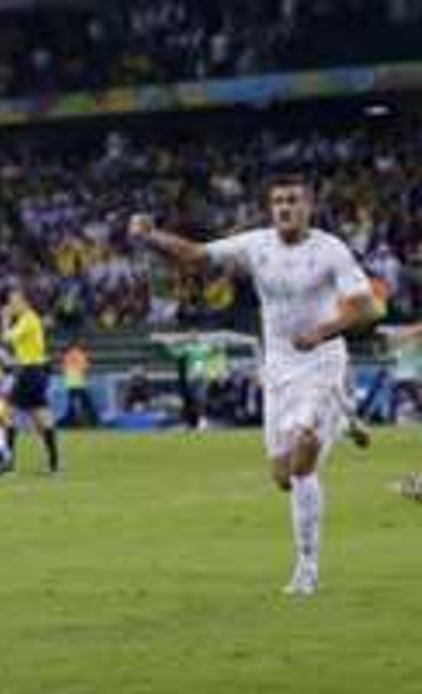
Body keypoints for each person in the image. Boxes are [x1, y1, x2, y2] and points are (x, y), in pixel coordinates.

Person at [129, 172, 378, 596]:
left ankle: (307, 567)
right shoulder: (256, 244)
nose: (285, 207)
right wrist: (152, 237)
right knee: (282, 476)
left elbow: (367, 308)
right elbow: (197, 258)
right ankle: (345, 417)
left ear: (308, 206)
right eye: (278, 200)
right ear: (270, 207)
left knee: (303, 461)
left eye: (293, 200)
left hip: (321, 363)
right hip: (278, 369)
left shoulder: (330, 250)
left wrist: (322, 332)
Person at [2, 289, 62, 475]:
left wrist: (4, 319)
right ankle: (54, 465)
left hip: (29, 372)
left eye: (15, 302)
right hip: (36, 372)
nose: (11, 306)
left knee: (7, 414)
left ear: (25, 303)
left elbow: (7, 338)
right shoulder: (28, 319)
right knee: (41, 418)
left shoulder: (28, 319)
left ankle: (8, 465)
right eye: (10, 302)